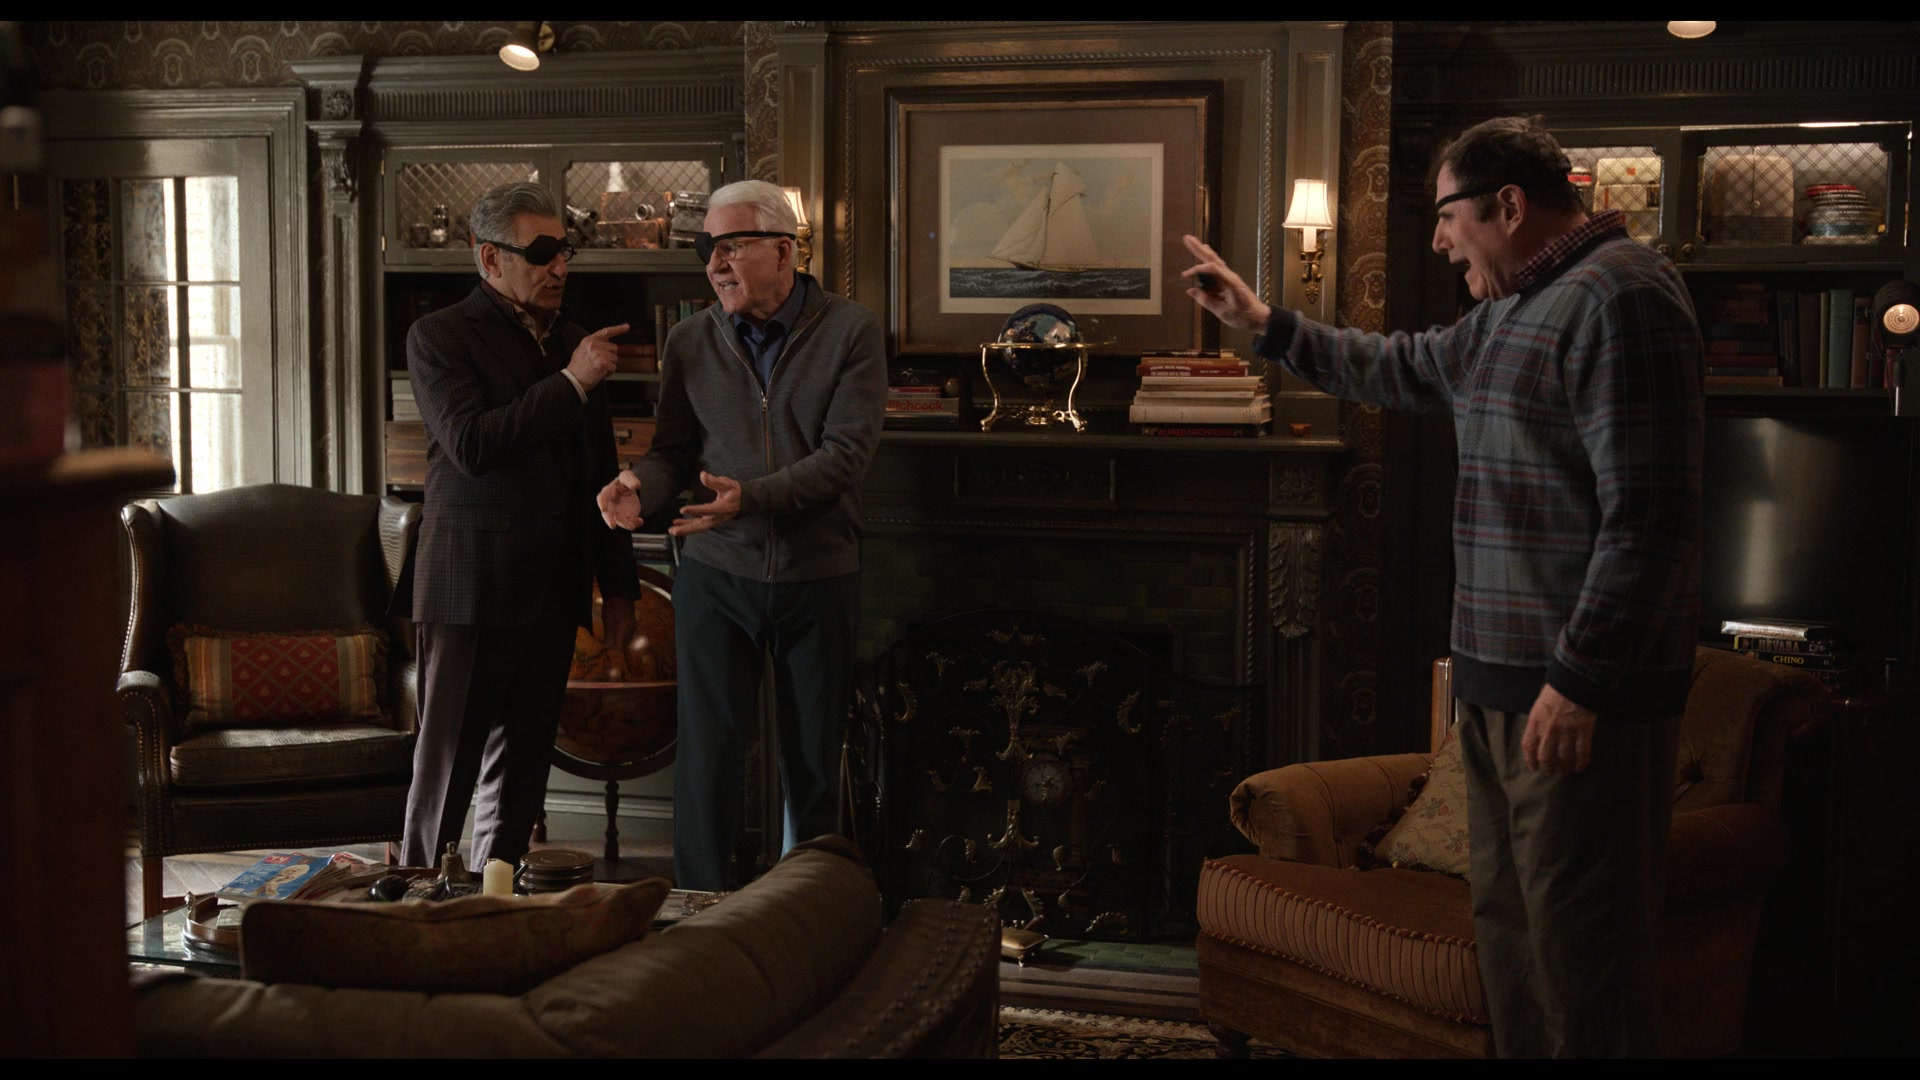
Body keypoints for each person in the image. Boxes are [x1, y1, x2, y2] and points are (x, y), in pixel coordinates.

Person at [1182, 115, 1703, 1058]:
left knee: (1581, 963)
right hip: (1500, 690)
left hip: (1578, 700)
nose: (1437, 241)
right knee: (1511, 947)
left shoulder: (1622, 297)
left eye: (1447, 216)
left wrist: (1581, 679)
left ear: (1509, 205)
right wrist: (1263, 323)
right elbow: (1399, 367)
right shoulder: (1510, 310)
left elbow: (1650, 518)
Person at [595, 179, 888, 892]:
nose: (715, 264)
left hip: (818, 573)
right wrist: (638, 487)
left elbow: (844, 458)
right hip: (716, 574)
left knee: (811, 761)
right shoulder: (690, 340)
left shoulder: (852, 331)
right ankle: (698, 908)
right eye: (709, 249)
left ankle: (806, 910)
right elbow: (673, 453)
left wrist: (748, 499)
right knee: (708, 757)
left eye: (732, 246)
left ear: (784, 251)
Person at [396, 181, 640, 871]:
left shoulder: (575, 342)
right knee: (447, 773)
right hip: (471, 591)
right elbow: (472, 445)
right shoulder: (439, 336)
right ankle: (416, 902)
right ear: (489, 258)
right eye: (540, 253)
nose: (559, 266)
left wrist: (619, 586)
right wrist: (571, 384)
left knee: (522, 779)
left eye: (563, 251)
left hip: (554, 592)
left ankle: (493, 906)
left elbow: (602, 473)